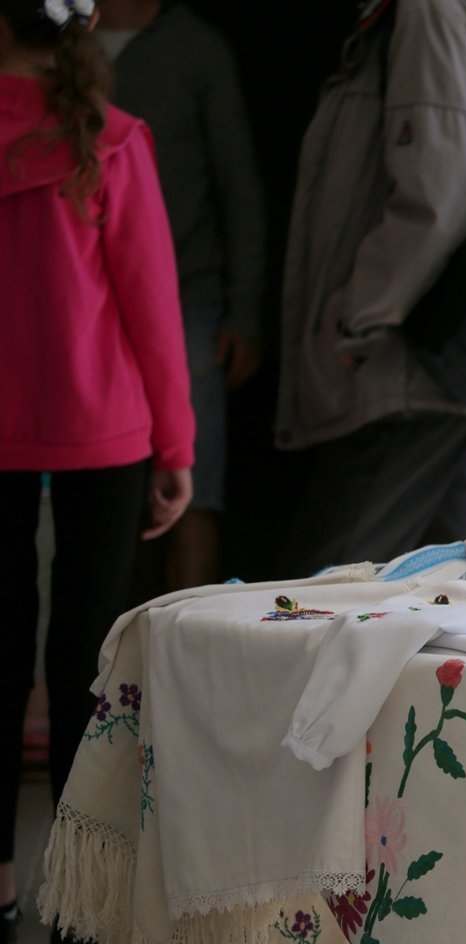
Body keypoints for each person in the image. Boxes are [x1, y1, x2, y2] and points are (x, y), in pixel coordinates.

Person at [0, 0, 193, 944]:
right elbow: (150, 302)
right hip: (104, 427)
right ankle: (76, 915)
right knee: (87, 658)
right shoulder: (110, 141)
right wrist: (177, 444)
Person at [275, 0, 466, 577]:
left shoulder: (430, 13)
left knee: (314, 604)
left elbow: (438, 200)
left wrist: (356, 320)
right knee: (444, 592)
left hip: (401, 371)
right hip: (423, 367)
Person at [95, 0, 266, 591]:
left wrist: (246, 311)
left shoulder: (195, 48)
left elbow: (238, 183)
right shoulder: (53, 44)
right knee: (100, 485)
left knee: (194, 485)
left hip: (187, 296)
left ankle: (187, 640)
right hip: (87, 307)